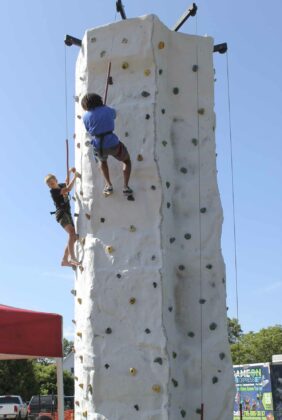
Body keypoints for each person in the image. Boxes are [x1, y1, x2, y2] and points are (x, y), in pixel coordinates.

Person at [81, 93, 133, 196]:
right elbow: (114, 114)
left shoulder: (85, 117)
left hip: (98, 145)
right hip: (112, 143)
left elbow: (88, 129)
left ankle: (108, 185)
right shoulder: (107, 110)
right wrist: (105, 108)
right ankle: (126, 187)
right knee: (126, 161)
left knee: (102, 161)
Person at [45, 168, 80, 267]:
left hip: (67, 213)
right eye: (49, 185)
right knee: (72, 233)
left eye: (52, 183)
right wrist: (75, 177)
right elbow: (68, 189)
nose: (51, 185)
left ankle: (65, 260)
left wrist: (69, 172)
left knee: (73, 237)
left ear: (56, 180)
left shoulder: (60, 186)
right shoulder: (53, 192)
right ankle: (72, 257)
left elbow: (66, 182)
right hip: (61, 213)